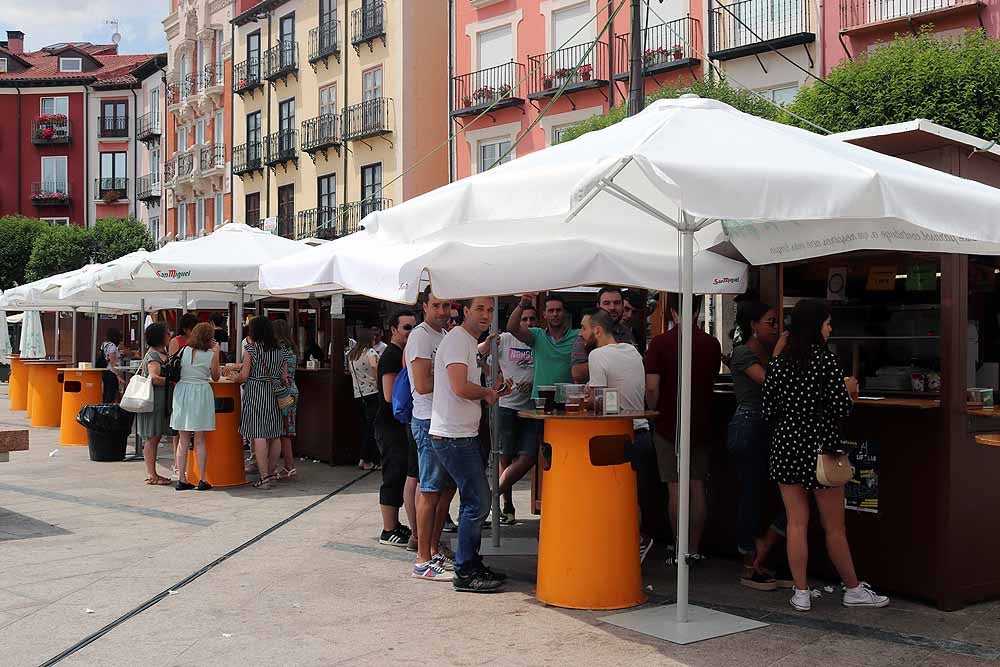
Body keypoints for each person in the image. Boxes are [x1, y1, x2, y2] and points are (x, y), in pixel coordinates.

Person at [763, 299, 889, 611]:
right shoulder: (825, 361)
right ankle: (853, 588)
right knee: (834, 526)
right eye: (827, 323)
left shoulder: (778, 364)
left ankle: (801, 592)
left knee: (796, 523)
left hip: (786, 448)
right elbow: (841, 409)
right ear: (815, 325)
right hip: (822, 450)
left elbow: (768, 410)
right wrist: (850, 390)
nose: (830, 328)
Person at [427, 296, 507, 592]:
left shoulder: (467, 342)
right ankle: (465, 570)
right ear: (465, 312)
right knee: (478, 501)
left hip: (460, 433)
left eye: (489, 310)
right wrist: (487, 393)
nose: (486, 315)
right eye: (480, 309)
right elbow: (459, 387)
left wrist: (490, 389)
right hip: (453, 436)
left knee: (473, 500)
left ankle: (470, 563)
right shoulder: (459, 341)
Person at [644, 293, 722, 566]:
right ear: (699, 310)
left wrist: (654, 411)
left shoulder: (660, 343)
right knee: (697, 484)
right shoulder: (712, 344)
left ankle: (679, 549)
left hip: (668, 423)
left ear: (672, 312)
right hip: (702, 421)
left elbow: (651, 386)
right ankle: (694, 547)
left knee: (676, 487)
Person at [581, 309, 656, 560]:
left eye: (584, 328)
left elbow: (601, 403)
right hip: (642, 432)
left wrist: (584, 398)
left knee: (615, 497)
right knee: (632, 496)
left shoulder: (597, 355)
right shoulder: (632, 350)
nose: (581, 334)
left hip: (617, 436)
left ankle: (627, 550)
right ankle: (634, 545)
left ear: (598, 330)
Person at [727, 301, 787, 590]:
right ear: (753, 325)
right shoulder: (742, 353)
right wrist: (778, 353)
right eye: (770, 322)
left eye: (777, 322)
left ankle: (763, 549)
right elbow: (770, 383)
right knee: (750, 494)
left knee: (775, 494)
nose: (775, 328)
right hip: (748, 426)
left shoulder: (769, 352)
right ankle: (748, 561)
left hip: (771, 427)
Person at [407, 287, 458, 570]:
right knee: (429, 490)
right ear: (424, 306)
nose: (442, 312)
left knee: (445, 489)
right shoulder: (420, 336)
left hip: (446, 421)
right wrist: (457, 380)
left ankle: (434, 548)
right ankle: (422, 558)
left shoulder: (445, 336)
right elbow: (423, 385)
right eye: (436, 306)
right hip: (427, 420)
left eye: (446, 306)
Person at [479, 304, 537, 525]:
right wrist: (499, 379)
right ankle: (506, 505)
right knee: (504, 456)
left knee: (528, 456)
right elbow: (479, 356)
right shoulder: (504, 339)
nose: (529, 323)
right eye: (524, 319)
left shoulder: (538, 339)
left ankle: (490, 497)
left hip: (532, 407)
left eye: (532, 319)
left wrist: (531, 384)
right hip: (506, 405)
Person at [375, 310, 417, 547]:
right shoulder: (392, 355)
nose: (410, 332)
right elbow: (390, 396)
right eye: (406, 328)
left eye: (413, 327)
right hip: (390, 426)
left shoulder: (401, 353)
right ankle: (388, 528)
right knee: (393, 474)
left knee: (401, 473)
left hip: (399, 426)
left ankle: (395, 524)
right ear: (393, 329)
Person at [230, 316, 287, 490]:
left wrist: (235, 378)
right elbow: (284, 375)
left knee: (259, 433)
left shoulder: (251, 348)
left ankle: (264, 478)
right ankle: (272, 473)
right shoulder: (281, 348)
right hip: (274, 391)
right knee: (275, 433)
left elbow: (245, 374)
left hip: (256, 390)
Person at [169, 322, 221, 491]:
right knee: (199, 439)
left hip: (182, 391)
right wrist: (217, 353)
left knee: (183, 440)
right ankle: (202, 479)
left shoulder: (183, 350)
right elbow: (215, 377)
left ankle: (182, 478)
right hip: (200, 392)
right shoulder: (210, 354)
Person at [507, 293, 579, 399]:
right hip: (541, 399)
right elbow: (512, 328)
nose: (555, 314)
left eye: (558, 310)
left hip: (568, 399)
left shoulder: (577, 335)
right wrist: (522, 305)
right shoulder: (537, 335)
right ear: (544, 314)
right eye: (551, 310)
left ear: (565, 313)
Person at [571, 286, 636, 383]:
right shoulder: (587, 334)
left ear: (623, 305)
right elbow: (578, 374)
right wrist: (616, 361)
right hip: (598, 395)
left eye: (617, 303)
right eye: (607, 303)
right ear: (598, 306)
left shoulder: (627, 333)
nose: (612, 307)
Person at [136, 322, 173, 486]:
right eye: (167, 333)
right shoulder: (154, 356)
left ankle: (153, 474)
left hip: (159, 401)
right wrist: (172, 381)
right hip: (154, 401)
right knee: (152, 437)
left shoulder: (159, 353)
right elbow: (154, 378)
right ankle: (152, 474)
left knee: (155, 436)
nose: (169, 335)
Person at [348, 328, 381, 471]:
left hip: (358, 394)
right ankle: (369, 459)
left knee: (365, 428)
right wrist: (377, 380)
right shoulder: (371, 352)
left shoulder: (352, 355)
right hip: (373, 393)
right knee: (373, 428)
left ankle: (363, 457)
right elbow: (374, 365)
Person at [272, 318, 299, 480]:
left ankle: (289, 466)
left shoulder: (279, 349)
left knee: (283, 431)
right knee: (287, 429)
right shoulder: (292, 348)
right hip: (293, 389)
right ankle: (289, 465)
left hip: (283, 391)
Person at [98, 328, 124, 403]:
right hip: (112, 372)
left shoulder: (104, 345)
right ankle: (107, 412)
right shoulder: (112, 346)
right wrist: (118, 375)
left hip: (106, 371)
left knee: (107, 394)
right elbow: (112, 362)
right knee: (110, 395)